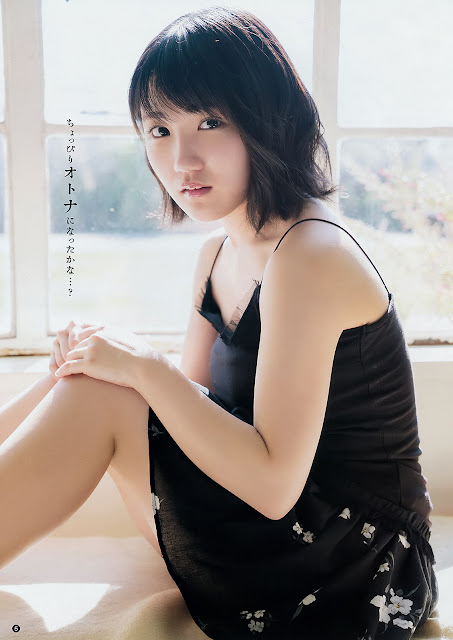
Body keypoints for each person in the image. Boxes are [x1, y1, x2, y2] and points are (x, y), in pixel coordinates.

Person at [0, 6, 438, 640]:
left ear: (267, 119)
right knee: (93, 371)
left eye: (209, 122)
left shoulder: (310, 255)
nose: (182, 159)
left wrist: (142, 367)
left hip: (357, 565)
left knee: (111, 386)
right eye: (159, 130)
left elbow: (273, 484)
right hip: (281, 534)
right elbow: (190, 417)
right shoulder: (218, 253)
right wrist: (101, 358)